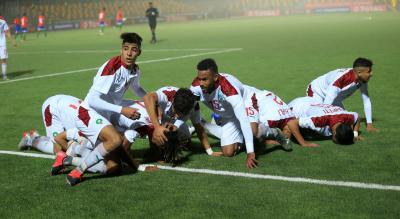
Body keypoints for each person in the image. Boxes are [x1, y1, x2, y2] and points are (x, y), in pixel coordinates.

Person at [66, 33, 147, 186]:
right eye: (126, 49)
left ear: (139, 52)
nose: (129, 53)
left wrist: (152, 102)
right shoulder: (112, 66)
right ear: (121, 49)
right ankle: (77, 172)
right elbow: (93, 100)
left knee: (114, 168)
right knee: (116, 139)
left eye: (134, 50)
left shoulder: (135, 70)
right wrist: (122, 110)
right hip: (87, 114)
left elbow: (137, 88)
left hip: (104, 118)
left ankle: (70, 159)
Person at [190, 58, 257, 169]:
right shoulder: (196, 87)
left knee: (254, 133)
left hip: (245, 104)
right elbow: (191, 104)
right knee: (228, 152)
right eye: (199, 78)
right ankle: (210, 122)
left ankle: (271, 132)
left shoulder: (229, 90)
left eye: (204, 79)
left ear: (215, 77)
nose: (200, 83)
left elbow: (243, 119)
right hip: (227, 114)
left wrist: (250, 152)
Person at [305, 57, 377, 132]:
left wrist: (369, 124)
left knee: (344, 122)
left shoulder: (362, 79)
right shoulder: (341, 79)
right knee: (318, 122)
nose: (371, 74)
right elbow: (326, 106)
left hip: (334, 97)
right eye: (369, 71)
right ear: (359, 72)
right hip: (317, 92)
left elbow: (366, 100)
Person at [143, 86, 220, 156]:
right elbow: (147, 97)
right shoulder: (166, 95)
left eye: (181, 114)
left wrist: (210, 151)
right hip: (158, 116)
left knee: (187, 145)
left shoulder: (194, 106)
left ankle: (188, 130)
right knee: (157, 152)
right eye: (176, 111)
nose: (177, 116)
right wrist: (157, 127)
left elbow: (199, 128)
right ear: (173, 101)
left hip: (175, 122)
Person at [288, 97, 361, 145]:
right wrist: (304, 143)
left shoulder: (346, 116)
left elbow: (357, 117)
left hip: (312, 101)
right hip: (296, 106)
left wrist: (355, 134)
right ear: (334, 133)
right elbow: (292, 123)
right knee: (288, 130)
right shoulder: (320, 121)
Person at [0, 16, 17, 81]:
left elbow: (7, 32)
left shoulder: (2, 22)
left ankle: (4, 76)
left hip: (2, 43)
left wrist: (13, 42)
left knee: (4, 59)